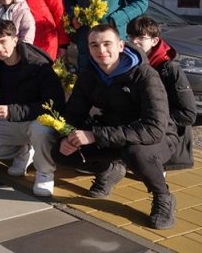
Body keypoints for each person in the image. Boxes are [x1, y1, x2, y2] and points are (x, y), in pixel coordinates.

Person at [54, 24, 179, 229]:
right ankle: (109, 169)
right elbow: (73, 114)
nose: (101, 50)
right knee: (61, 152)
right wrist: (66, 137)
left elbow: (153, 129)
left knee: (136, 153)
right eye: (94, 45)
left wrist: (95, 135)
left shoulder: (145, 75)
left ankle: (163, 197)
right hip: (113, 132)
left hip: (157, 137)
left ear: (121, 46)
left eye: (107, 44)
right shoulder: (90, 75)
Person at [0, 20, 63, 197]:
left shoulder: (38, 64)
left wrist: (12, 111)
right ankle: (23, 151)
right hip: (8, 121)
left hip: (35, 119)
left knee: (42, 130)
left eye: (3, 41)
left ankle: (45, 172)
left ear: (15, 39)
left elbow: (53, 103)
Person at [127, 16, 196, 170]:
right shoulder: (130, 63)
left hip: (165, 133)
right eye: (131, 36)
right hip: (141, 126)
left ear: (154, 41)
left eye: (141, 37)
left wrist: (154, 118)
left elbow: (188, 113)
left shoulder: (169, 69)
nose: (134, 41)